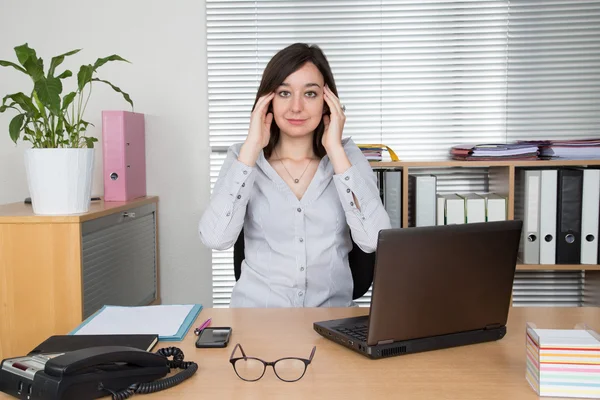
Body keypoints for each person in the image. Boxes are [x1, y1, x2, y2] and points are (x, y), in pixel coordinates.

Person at [199, 43, 391, 308]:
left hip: (331, 322)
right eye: (284, 93)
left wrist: (334, 150)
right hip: (257, 320)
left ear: (328, 101)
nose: (296, 107)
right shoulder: (242, 157)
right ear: (267, 100)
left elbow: (373, 241)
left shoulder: (347, 157)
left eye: (310, 93)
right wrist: (252, 148)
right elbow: (215, 238)